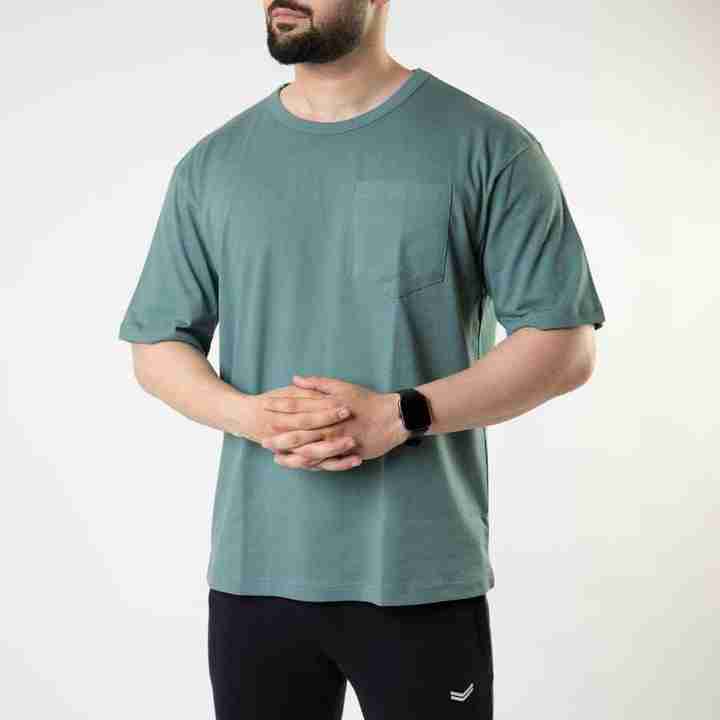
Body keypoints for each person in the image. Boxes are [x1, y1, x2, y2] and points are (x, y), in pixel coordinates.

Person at [118, 1, 606, 718]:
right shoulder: (213, 165)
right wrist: (249, 416)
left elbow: (564, 345)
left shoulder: (487, 147)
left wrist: (404, 414)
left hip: (419, 574)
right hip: (256, 574)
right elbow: (157, 344)